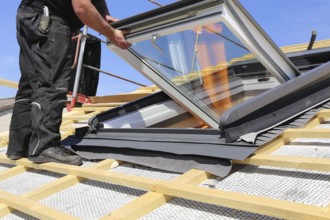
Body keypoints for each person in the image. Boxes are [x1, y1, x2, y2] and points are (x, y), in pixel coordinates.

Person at [6, 0, 130, 165]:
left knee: (32, 81)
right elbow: (82, 7)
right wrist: (111, 34)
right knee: (53, 81)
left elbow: (97, 3)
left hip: (32, 16)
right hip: (49, 18)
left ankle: (19, 146)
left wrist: (105, 18)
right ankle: (45, 146)